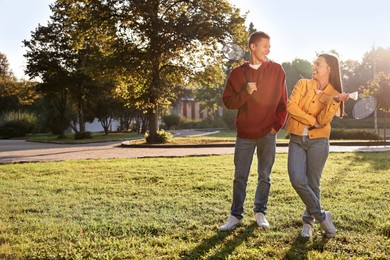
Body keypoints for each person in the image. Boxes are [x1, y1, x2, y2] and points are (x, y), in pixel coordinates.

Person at [219, 31, 288, 231]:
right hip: (245, 134)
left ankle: (260, 212)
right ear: (253, 47)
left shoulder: (277, 71)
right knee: (240, 175)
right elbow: (228, 102)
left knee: (264, 176)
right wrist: (245, 93)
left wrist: (276, 126)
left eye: (269, 45)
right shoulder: (237, 74)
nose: (269, 49)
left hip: (268, 133)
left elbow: (283, 103)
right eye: (265, 45)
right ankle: (235, 215)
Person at [284, 53, 349, 238]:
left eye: (318, 64)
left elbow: (324, 120)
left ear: (329, 68)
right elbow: (291, 106)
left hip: (319, 142)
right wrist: (311, 119)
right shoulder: (302, 84)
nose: (314, 66)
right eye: (314, 63)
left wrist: (335, 103)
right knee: (297, 179)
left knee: (313, 183)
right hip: (297, 139)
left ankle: (308, 224)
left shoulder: (335, 94)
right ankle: (322, 216)